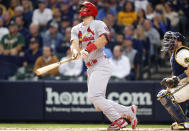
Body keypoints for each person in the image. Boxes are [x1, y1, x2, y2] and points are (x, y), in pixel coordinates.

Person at [70, 1, 138, 130]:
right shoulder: (75, 28)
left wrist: (87, 49)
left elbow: (104, 39)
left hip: (101, 63)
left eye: (85, 7)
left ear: (91, 10)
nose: (82, 10)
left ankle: (118, 120)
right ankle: (129, 111)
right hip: (90, 67)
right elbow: (74, 43)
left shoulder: (98, 24)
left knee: (95, 96)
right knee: (97, 103)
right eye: (81, 8)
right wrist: (75, 52)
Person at [157, 31, 189, 130]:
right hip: (186, 83)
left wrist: (178, 78)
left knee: (165, 96)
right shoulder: (175, 54)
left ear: (179, 42)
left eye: (172, 39)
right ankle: (185, 121)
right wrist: (170, 82)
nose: (169, 42)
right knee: (164, 94)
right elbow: (175, 75)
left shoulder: (182, 52)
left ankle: (184, 123)